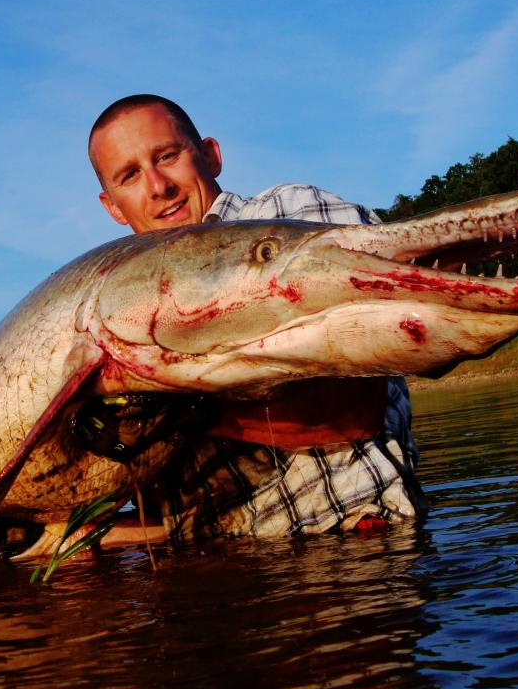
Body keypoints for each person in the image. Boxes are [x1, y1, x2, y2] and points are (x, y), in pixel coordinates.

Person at [87, 94, 427, 545]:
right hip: (215, 577)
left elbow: (355, 393)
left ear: (210, 155)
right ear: (112, 206)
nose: (157, 186)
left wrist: (168, 402)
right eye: (129, 175)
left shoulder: (288, 215)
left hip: (348, 545)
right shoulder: (117, 308)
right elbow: (175, 518)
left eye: (167, 156)